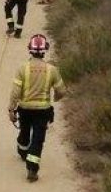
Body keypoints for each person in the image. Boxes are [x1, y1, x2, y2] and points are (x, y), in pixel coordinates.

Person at [8, 34, 67, 182]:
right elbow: (61, 91)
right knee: (38, 140)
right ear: (44, 50)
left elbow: (15, 92)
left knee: (24, 131)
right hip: (43, 111)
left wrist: (11, 110)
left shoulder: (22, 69)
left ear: (30, 49)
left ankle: (22, 152)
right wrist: (55, 99)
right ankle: (32, 169)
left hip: (25, 109)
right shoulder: (52, 70)